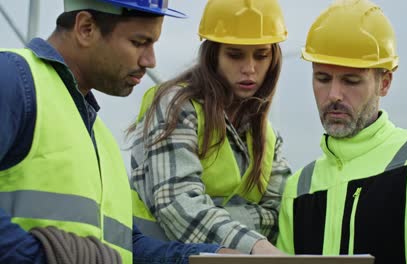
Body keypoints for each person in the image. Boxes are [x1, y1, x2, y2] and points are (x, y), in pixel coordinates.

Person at [0, 0, 238, 263]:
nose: (150, 60)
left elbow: (125, 246)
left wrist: (207, 257)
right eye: (139, 42)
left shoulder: (99, 138)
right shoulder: (13, 79)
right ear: (86, 28)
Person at [276, 0, 407, 263]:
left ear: (385, 83)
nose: (333, 95)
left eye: (351, 80)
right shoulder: (299, 187)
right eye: (322, 78)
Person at [129, 0, 292, 255]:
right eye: (235, 54)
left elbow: (278, 215)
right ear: (212, 54)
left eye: (261, 55)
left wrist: (211, 212)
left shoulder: (269, 137)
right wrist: (255, 243)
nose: (249, 69)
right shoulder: (174, 105)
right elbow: (177, 205)